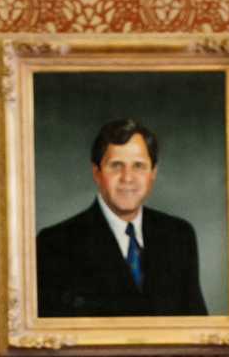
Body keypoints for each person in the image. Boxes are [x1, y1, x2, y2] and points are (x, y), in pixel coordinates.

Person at [35, 120, 208, 320]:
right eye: (116, 166)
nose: (128, 178)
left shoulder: (179, 236)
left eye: (139, 166)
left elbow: (197, 328)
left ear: (153, 173)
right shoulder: (55, 244)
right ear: (97, 173)